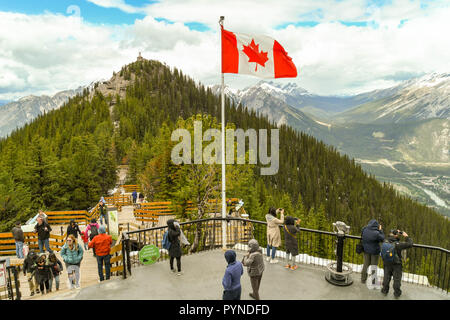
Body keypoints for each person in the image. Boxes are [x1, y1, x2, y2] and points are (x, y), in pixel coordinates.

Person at [381, 229, 413, 298]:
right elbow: (410, 244)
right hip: (396, 264)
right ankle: (397, 293)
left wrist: (395, 232)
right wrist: (406, 236)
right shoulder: (398, 244)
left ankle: (384, 290)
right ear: (396, 236)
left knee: (386, 278)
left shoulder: (385, 240)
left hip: (387, 263)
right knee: (397, 280)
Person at [361, 219, 384, 283]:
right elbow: (382, 238)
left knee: (365, 265)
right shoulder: (376, 233)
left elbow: (362, 231)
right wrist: (380, 230)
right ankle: (373, 281)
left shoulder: (365, 230)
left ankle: (363, 279)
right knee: (374, 267)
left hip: (366, 250)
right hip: (374, 252)